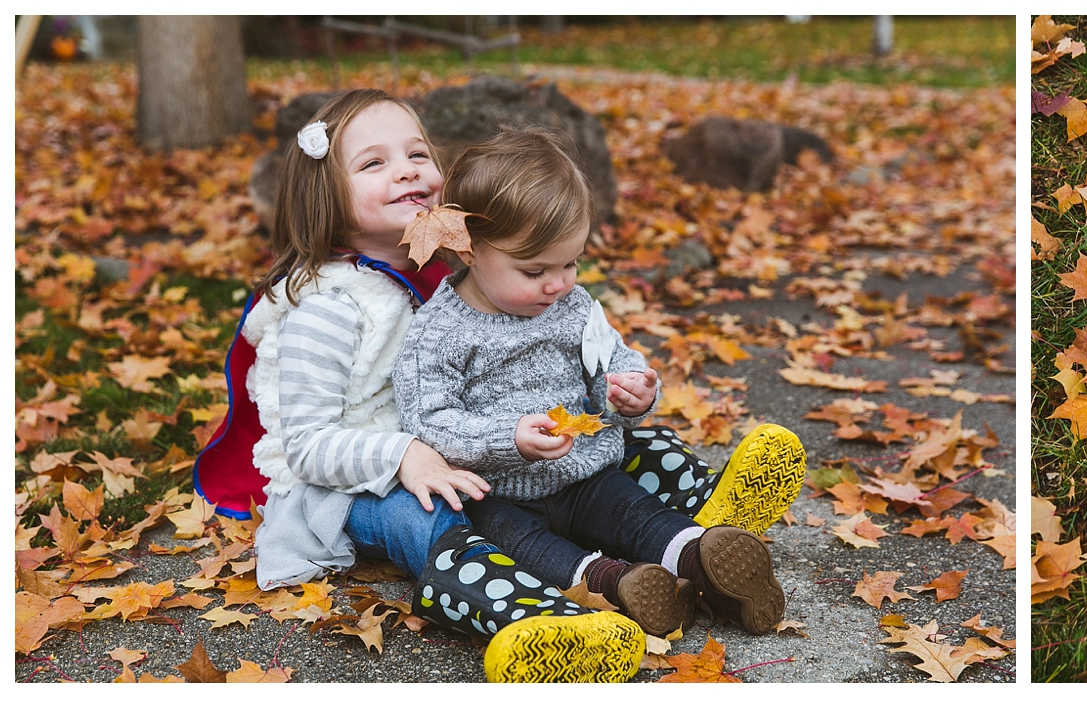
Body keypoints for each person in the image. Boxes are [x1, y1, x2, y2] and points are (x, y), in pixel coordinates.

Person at [191, 90, 800, 682]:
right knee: (439, 522)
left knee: (628, 446)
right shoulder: (325, 308)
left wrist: (624, 389)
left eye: (418, 154)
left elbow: (572, 349)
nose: (406, 171)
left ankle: (706, 527)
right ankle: (544, 615)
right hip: (360, 480)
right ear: (324, 193)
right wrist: (406, 454)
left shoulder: (459, 269)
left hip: (491, 452)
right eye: (375, 163)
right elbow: (308, 446)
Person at [393, 127, 795, 642]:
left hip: (587, 473)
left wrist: (632, 390)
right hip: (500, 492)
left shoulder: (573, 305)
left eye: (571, 263)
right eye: (534, 269)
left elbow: (609, 357)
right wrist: (508, 438)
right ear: (470, 251)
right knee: (517, 545)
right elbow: (427, 422)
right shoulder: (439, 332)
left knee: (635, 513)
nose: (558, 283)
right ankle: (618, 585)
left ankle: (703, 560)